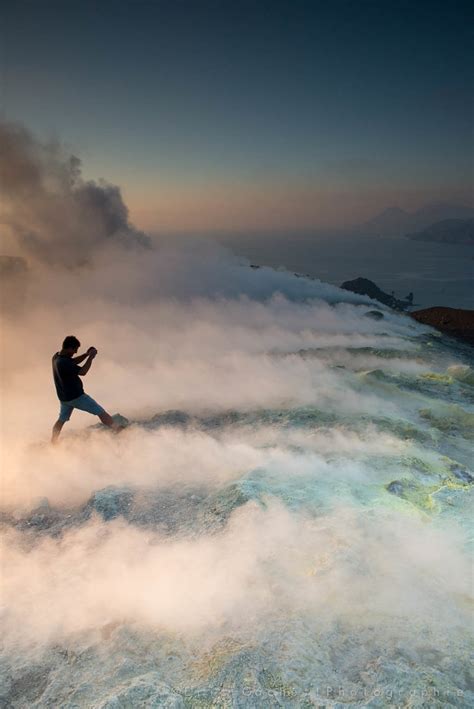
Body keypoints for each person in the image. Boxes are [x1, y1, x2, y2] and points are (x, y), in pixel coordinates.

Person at [51, 335, 121, 443]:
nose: (75, 353)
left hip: (64, 398)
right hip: (77, 397)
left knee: (61, 420)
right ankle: (121, 432)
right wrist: (90, 358)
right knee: (101, 412)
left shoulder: (56, 357)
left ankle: (53, 442)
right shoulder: (64, 362)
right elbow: (83, 372)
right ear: (69, 348)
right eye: (75, 350)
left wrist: (86, 354)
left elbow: (73, 361)